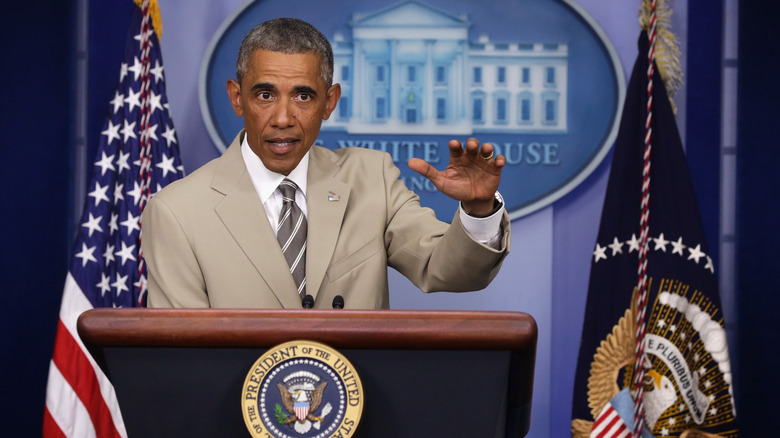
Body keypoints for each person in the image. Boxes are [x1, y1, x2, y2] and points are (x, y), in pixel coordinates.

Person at [142, 17, 511, 309]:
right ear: (237, 99)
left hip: (358, 400)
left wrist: (478, 210)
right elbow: (183, 355)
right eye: (265, 94)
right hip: (243, 404)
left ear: (329, 103)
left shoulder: (372, 178)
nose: (283, 117)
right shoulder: (177, 211)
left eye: (303, 95)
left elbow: (446, 270)